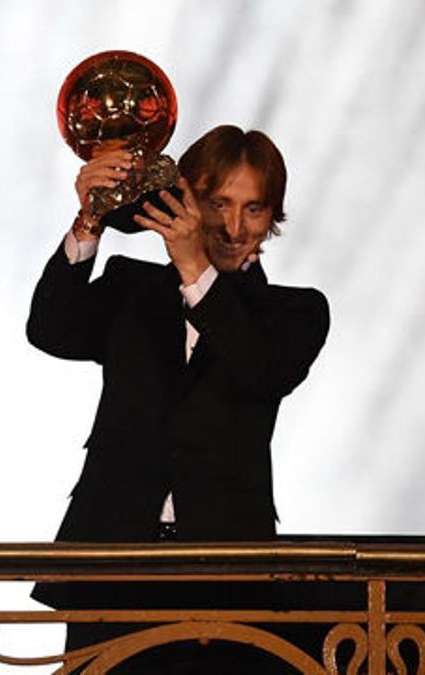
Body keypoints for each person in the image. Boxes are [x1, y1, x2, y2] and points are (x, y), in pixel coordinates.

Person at [27, 125, 330, 673]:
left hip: (229, 578)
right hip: (112, 564)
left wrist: (195, 266)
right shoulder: (131, 289)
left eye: (254, 209)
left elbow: (260, 372)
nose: (234, 228)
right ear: (185, 198)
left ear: (272, 219)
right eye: (218, 204)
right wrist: (91, 217)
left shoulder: (296, 313)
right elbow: (51, 329)